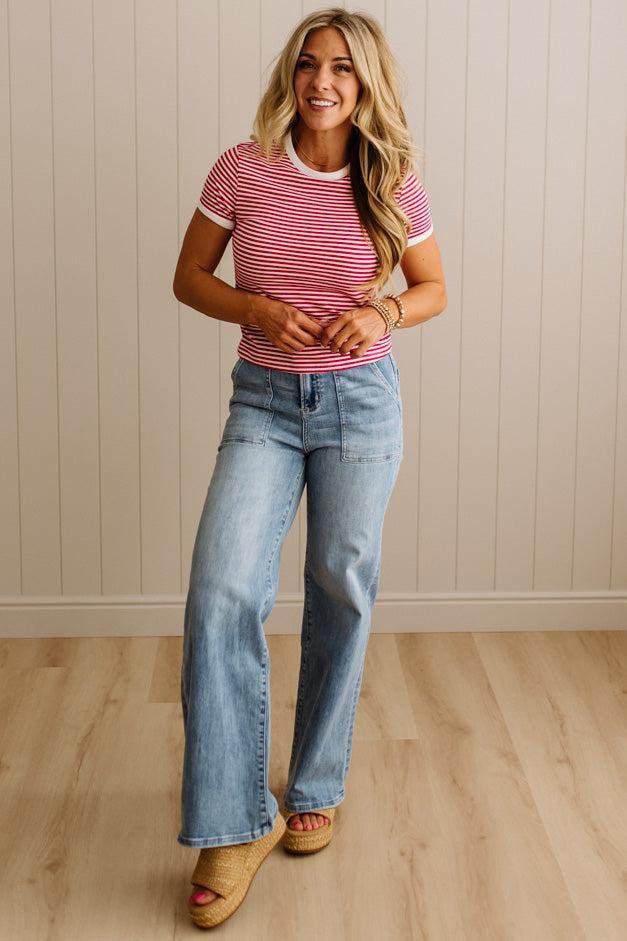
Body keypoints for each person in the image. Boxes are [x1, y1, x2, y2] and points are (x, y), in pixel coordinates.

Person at [172, 6, 447, 929]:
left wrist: (385, 317)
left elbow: (433, 286)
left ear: (366, 84)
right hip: (264, 403)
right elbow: (189, 277)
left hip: (360, 408)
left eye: (340, 69)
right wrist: (253, 305)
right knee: (220, 590)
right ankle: (231, 819)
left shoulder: (389, 177)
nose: (320, 82)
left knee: (340, 586)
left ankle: (315, 783)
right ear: (289, 76)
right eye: (307, 65)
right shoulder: (242, 168)